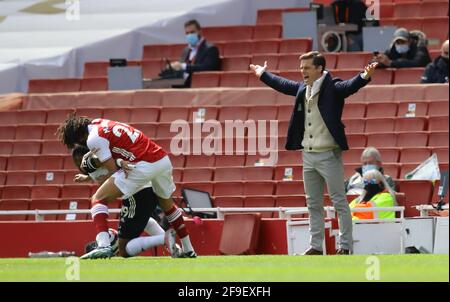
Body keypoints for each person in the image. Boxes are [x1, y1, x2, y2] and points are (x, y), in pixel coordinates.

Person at [250, 51, 378, 255]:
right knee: (313, 203)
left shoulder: (333, 88)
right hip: (308, 155)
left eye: (307, 67)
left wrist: (365, 75)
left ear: (319, 69)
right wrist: (263, 74)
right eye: (301, 68)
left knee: (339, 201)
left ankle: (345, 246)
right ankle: (316, 246)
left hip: (328, 154)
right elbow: (283, 85)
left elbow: (350, 86)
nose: (303, 72)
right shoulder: (303, 88)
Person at [56, 115, 196, 259]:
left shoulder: (93, 139)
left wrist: (97, 164)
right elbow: (118, 154)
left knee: (98, 198)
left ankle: (103, 244)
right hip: (161, 159)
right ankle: (189, 249)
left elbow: (112, 171)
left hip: (141, 165)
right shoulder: (101, 122)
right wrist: (94, 172)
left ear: (79, 138)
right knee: (168, 206)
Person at [71, 144, 183, 258]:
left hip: (136, 192)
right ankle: (173, 246)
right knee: (144, 221)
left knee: (124, 248)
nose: (78, 163)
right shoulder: (95, 166)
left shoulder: (96, 160)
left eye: (79, 159)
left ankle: (163, 238)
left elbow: (111, 164)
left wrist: (114, 164)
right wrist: (87, 177)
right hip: (145, 187)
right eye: (76, 161)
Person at [168, 19, 220, 87]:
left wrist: (184, 66)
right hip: (183, 86)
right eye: (187, 33)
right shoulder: (186, 50)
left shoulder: (211, 49)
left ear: (200, 31)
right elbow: (181, 70)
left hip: (201, 86)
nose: (190, 35)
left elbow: (208, 67)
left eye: (192, 32)